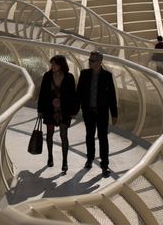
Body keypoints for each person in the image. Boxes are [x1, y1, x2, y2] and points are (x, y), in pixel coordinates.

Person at [77, 50, 118, 178]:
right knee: (89, 135)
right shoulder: (84, 74)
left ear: (100, 62)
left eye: (93, 60)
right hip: (88, 111)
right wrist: (75, 110)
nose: (90, 62)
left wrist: (114, 114)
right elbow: (79, 94)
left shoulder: (107, 76)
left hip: (102, 112)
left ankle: (105, 165)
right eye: (89, 60)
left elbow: (111, 96)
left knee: (103, 138)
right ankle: (90, 159)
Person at [37, 55, 78, 173]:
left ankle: (65, 162)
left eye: (55, 64)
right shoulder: (47, 76)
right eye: (52, 64)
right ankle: (50, 157)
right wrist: (40, 110)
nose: (52, 66)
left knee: (63, 135)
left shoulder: (69, 77)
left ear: (61, 65)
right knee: (49, 134)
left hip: (64, 110)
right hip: (50, 110)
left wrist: (73, 112)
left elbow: (73, 96)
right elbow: (42, 94)